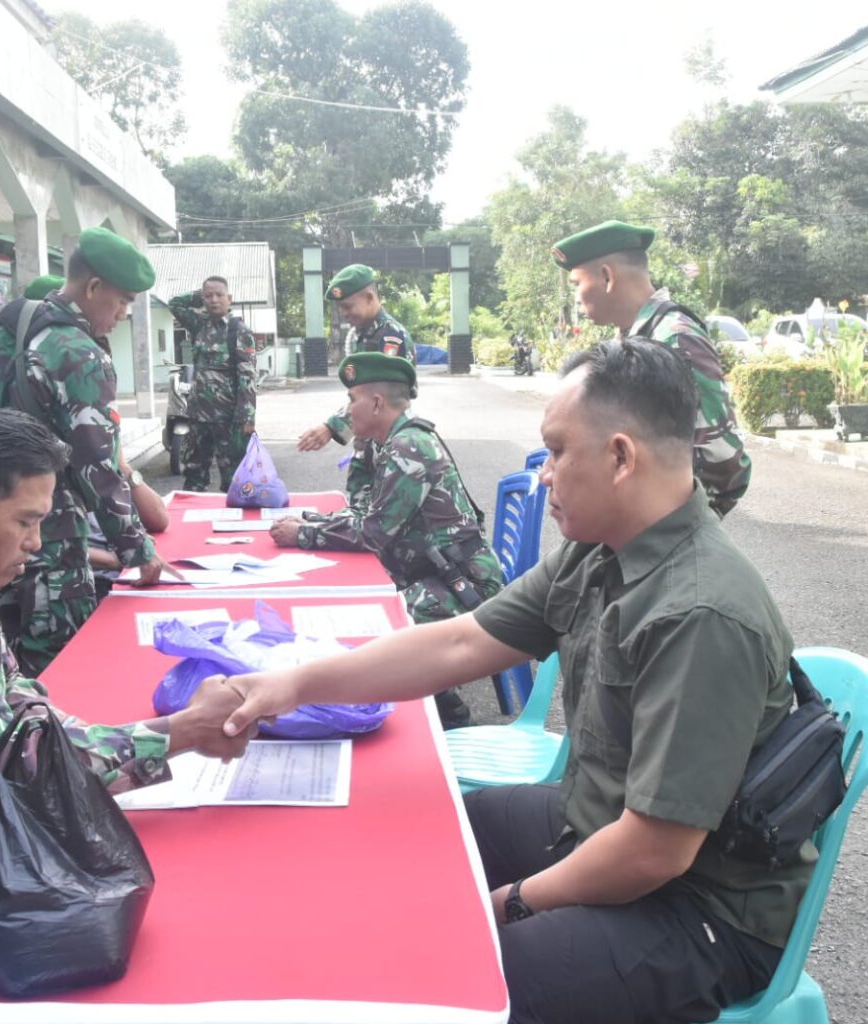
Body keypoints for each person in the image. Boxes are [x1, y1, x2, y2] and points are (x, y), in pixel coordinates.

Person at [221, 338, 810, 1024]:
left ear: (622, 458)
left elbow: (655, 852)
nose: (544, 476)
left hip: (699, 907)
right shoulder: (601, 550)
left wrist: (511, 903)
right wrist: (292, 685)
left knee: (454, 969)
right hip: (599, 824)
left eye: (557, 452)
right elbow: (462, 640)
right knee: (435, 834)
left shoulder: (700, 612)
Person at [0, 405, 252, 793]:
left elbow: (16, 698)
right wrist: (182, 731)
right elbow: (9, 771)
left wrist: (123, 737)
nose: (36, 543)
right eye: (25, 522)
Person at [0, 226, 174, 676]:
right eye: (122, 301)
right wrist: (137, 550)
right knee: (58, 663)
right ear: (93, 287)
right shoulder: (77, 352)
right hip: (46, 535)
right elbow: (98, 467)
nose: (123, 314)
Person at [271, 352, 503, 730]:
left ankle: (447, 715)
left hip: (461, 584)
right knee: (356, 613)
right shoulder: (387, 442)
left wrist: (304, 534)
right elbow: (365, 509)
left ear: (377, 403)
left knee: (381, 630)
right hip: (430, 572)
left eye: (352, 400)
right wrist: (316, 519)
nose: (347, 411)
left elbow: (373, 532)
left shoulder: (409, 446)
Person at [551, 220, 751, 516]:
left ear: (606, 277)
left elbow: (724, 459)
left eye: (577, 284)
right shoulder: (633, 339)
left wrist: (671, 524)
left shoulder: (675, 338)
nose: (576, 298)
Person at [297, 264, 415, 508]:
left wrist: (331, 427)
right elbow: (359, 394)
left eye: (348, 306)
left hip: (388, 445)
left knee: (379, 513)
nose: (344, 313)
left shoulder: (390, 337)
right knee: (358, 509)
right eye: (341, 308)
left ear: (369, 297)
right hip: (367, 441)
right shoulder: (362, 335)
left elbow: (379, 398)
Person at [167, 276, 257, 492]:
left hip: (227, 417)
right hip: (198, 415)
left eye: (219, 295)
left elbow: (247, 375)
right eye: (208, 296)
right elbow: (174, 304)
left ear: (230, 299)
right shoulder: (199, 325)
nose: (214, 300)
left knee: (233, 478)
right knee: (194, 474)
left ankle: (233, 511)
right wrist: (200, 294)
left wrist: (247, 417)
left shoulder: (239, 330)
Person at [88, 452, 169, 599]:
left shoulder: (103, 468)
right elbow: (49, 548)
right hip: (89, 583)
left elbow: (158, 520)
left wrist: (122, 466)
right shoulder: (55, 466)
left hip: (123, 574)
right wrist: (116, 560)